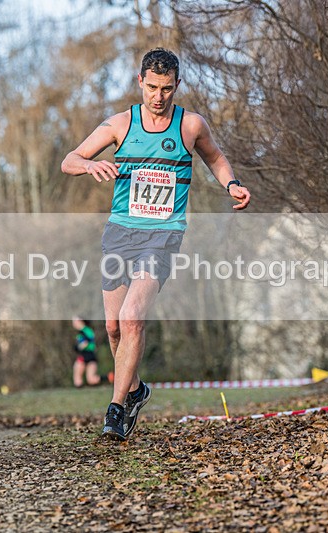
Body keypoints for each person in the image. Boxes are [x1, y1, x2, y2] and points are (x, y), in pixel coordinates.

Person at [61, 48, 251, 441]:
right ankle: (136, 390)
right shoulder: (119, 124)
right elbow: (70, 159)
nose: (159, 97)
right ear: (139, 83)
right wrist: (91, 164)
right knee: (113, 329)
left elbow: (215, 159)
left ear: (177, 85)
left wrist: (231, 184)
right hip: (120, 232)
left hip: (162, 236)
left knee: (132, 318)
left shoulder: (190, 125)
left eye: (166, 88)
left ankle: (115, 411)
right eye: (151, 87)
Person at [72, 317, 112, 387]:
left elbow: (85, 343)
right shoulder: (87, 330)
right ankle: (110, 377)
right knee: (91, 379)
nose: (73, 323)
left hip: (85, 355)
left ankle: (79, 391)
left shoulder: (84, 331)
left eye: (74, 321)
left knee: (77, 380)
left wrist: (77, 348)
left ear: (80, 321)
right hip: (91, 356)